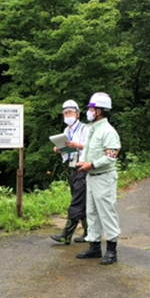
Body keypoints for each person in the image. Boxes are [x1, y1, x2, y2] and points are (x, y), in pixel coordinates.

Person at [76, 92, 121, 265]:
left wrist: (91, 164)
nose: (89, 111)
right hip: (92, 177)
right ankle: (94, 246)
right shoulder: (93, 130)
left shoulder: (108, 131)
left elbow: (112, 155)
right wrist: (83, 163)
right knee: (92, 213)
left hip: (103, 177)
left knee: (107, 213)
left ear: (100, 111)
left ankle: (111, 250)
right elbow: (89, 151)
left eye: (91, 108)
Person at [50, 99, 90, 245]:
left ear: (78, 114)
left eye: (70, 112)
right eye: (65, 113)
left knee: (76, 202)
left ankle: (66, 234)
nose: (67, 115)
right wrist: (59, 148)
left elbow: (91, 147)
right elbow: (68, 150)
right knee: (81, 201)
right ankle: (89, 232)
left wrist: (76, 145)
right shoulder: (67, 131)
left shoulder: (86, 129)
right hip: (72, 167)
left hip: (83, 167)